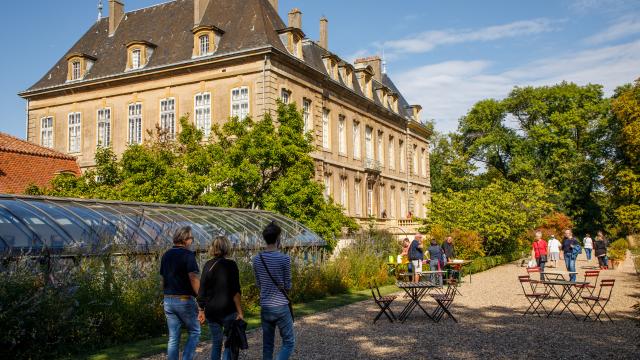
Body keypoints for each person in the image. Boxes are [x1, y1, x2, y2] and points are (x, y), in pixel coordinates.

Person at [197, 236, 244, 360]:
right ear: (226, 247)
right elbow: (236, 292)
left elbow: (202, 290)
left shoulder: (208, 265)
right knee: (229, 343)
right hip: (228, 310)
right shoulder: (231, 265)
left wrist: (201, 310)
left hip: (212, 311)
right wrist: (240, 312)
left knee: (216, 343)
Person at [253, 222, 294, 360]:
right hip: (281, 306)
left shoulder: (257, 259)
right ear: (278, 239)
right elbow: (288, 285)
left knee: (267, 344)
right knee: (289, 342)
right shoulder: (284, 258)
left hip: (265, 306)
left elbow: (259, 283)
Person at [160, 226, 201, 360]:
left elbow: (163, 279)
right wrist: (201, 298)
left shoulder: (166, 255)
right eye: (191, 239)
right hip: (183, 300)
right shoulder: (188, 255)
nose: (192, 242)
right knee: (195, 331)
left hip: (168, 300)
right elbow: (193, 278)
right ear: (185, 239)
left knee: (173, 337)